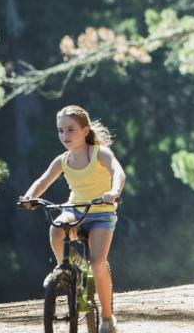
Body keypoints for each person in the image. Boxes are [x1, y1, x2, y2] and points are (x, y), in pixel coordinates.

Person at [21, 105, 125, 333]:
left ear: (85, 130)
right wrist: (30, 196)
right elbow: (42, 181)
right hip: (76, 210)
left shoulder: (100, 153)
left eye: (70, 130)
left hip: (101, 214)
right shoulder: (62, 160)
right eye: (60, 131)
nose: (65, 136)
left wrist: (114, 191)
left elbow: (118, 172)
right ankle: (67, 270)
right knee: (57, 228)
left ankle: (107, 318)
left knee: (98, 263)